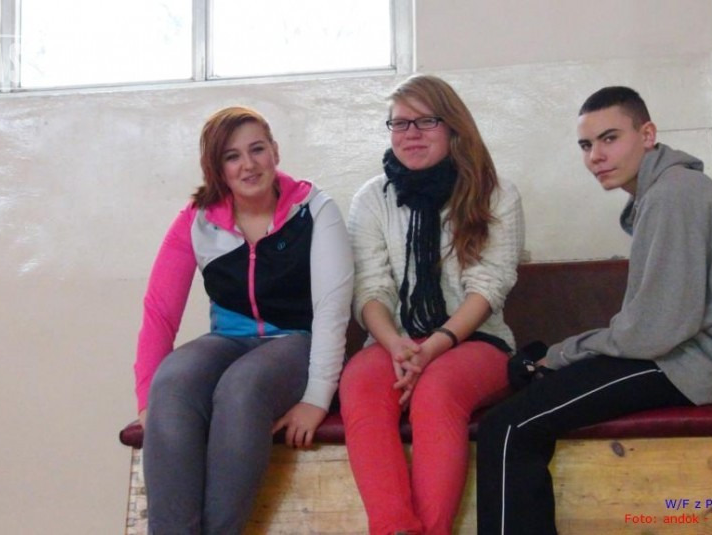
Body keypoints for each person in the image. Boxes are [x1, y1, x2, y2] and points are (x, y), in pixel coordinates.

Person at [475, 86, 712, 534]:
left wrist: (563, 353)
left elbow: (654, 332)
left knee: (508, 427)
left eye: (610, 138)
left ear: (647, 135)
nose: (596, 156)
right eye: (586, 145)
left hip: (700, 366)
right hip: (682, 357)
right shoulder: (664, 193)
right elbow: (652, 327)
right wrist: (564, 357)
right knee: (526, 397)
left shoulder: (673, 195)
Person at [133, 106, 354, 534]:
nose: (248, 164)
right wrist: (147, 400)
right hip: (229, 339)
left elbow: (332, 311)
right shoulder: (198, 219)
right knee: (171, 382)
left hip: (299, 341)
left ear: (275, 152)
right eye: (232, 156)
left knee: (241, 388)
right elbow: (160, 311)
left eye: (257, 149)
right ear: (216, 168)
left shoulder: (314, 210)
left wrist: (316, 398)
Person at [340, 74, 525, 535]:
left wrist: (434, 347)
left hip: (476, 342)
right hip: (396, 341)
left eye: (426, 121)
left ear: (453, 127)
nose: (411, 134)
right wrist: (397, 345)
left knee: (436, 389)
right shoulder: (372, 199)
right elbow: (371, 290)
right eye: (400, 124)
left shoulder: (496, 194)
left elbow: (489, 286)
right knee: (360, 382)